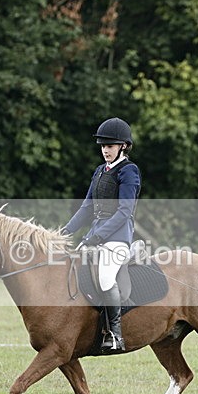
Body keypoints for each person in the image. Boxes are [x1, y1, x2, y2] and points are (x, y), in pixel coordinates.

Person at [64, 117, 141, 354]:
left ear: (123, 146)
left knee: (106, 277)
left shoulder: (129, 171)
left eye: (110, 146)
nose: (105, 150)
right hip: (96, 236)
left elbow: (125, 211)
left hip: (118, 238)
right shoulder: (99, 171)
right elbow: (87, 208)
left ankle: (115, 335)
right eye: (103, 146)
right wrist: (64, 232)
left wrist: (97, 237)